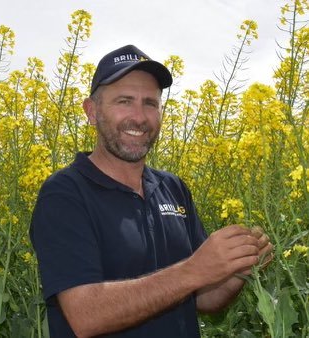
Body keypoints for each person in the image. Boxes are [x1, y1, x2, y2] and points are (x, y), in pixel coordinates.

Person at [30, 45, 274, 338]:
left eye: (150, 103)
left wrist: (237, 269)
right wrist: (193, 270)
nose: (140, 117)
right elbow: (85, 316)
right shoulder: (65, 194)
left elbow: (203, 299)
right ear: (92, 112)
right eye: (124, 101)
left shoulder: (173, 188)